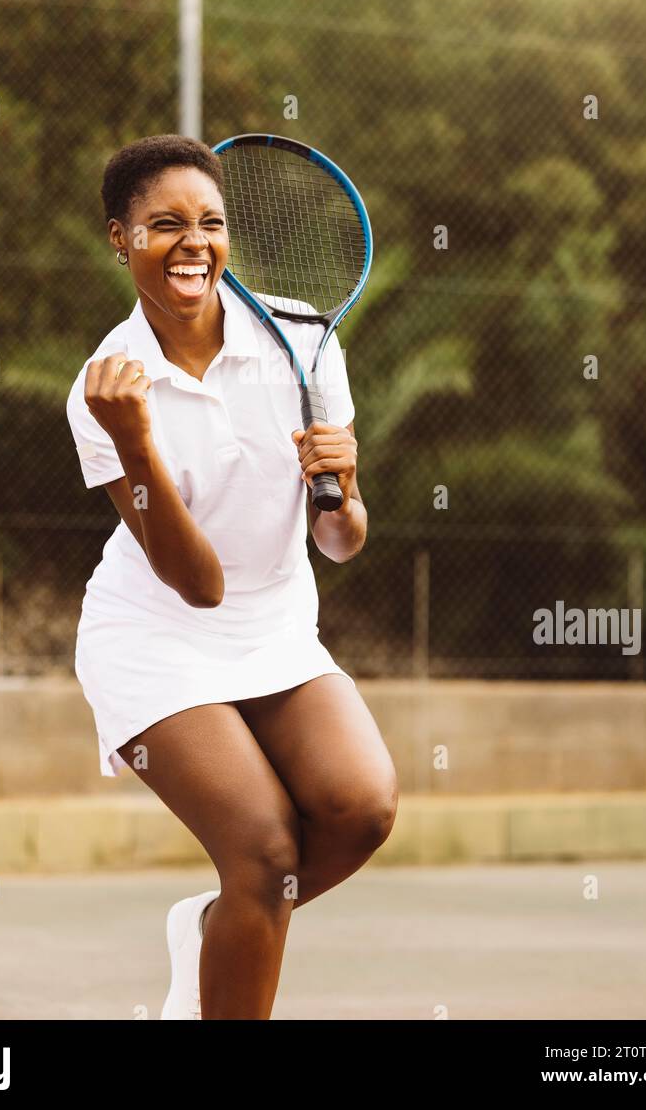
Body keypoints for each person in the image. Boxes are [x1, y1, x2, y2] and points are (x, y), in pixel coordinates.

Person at [65, 134, 398, 1020]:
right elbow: (196, 584)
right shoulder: (104, 391)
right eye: (164, 225)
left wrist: (346, 489)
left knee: (361, 808)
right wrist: (136, 441)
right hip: (157, 637)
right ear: (119, 238)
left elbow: (339, 543)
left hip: (276, 630)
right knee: (263, 854)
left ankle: (212, 927)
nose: (192, 244)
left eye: (210, 223)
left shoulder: (300, 339)